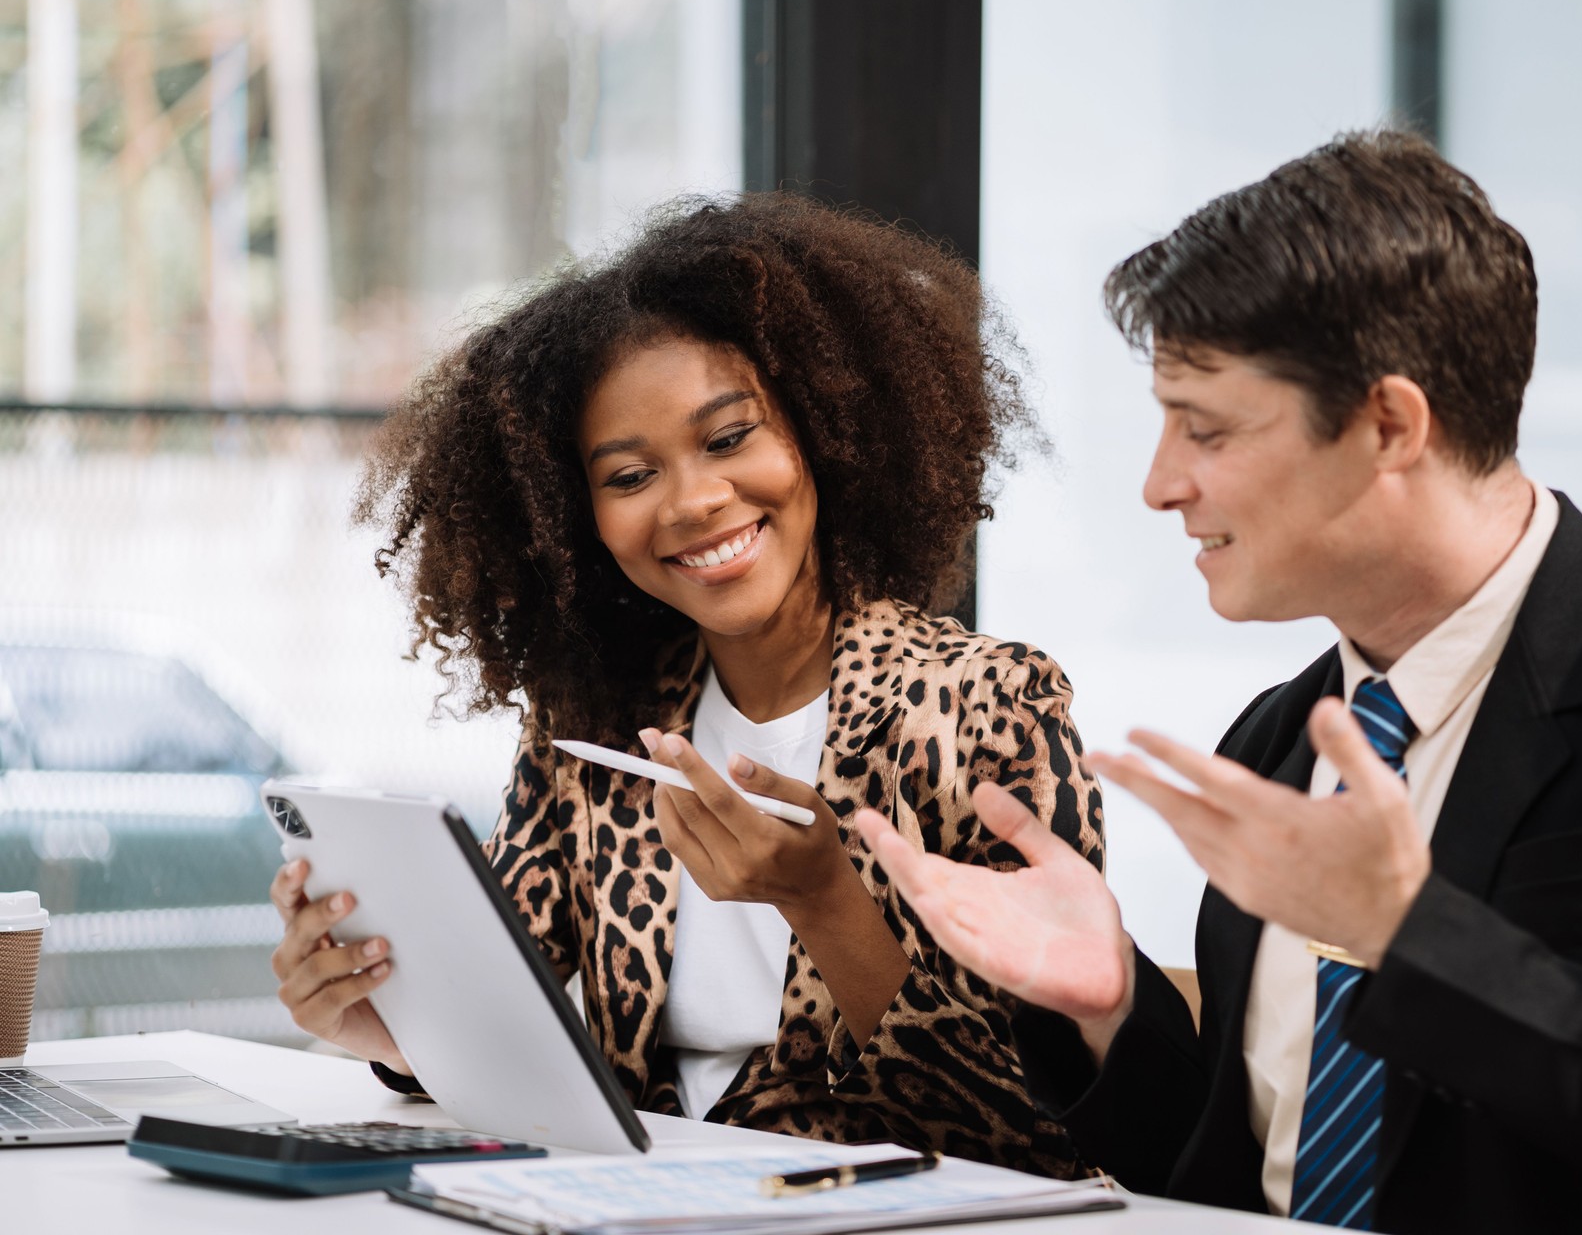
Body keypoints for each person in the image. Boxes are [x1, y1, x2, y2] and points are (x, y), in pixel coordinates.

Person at [858, 131, 1582, 1233]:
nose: (1159, 483)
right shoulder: (1279, 736)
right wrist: (1111, 1005)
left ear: (1389, 425)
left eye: (1207, 429)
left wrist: (1413, 937)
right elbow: (1232, 1171)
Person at [264, 194, 1106, 1176]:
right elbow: (502, 1024)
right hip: (643, 1198)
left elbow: (1022, 1121)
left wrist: (825, 896)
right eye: (628, 477)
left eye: (729, 435)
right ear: (574, 518)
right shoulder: (596, 727)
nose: (695, 501)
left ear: (826, 428)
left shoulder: (985, 703)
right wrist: (385, 1023)